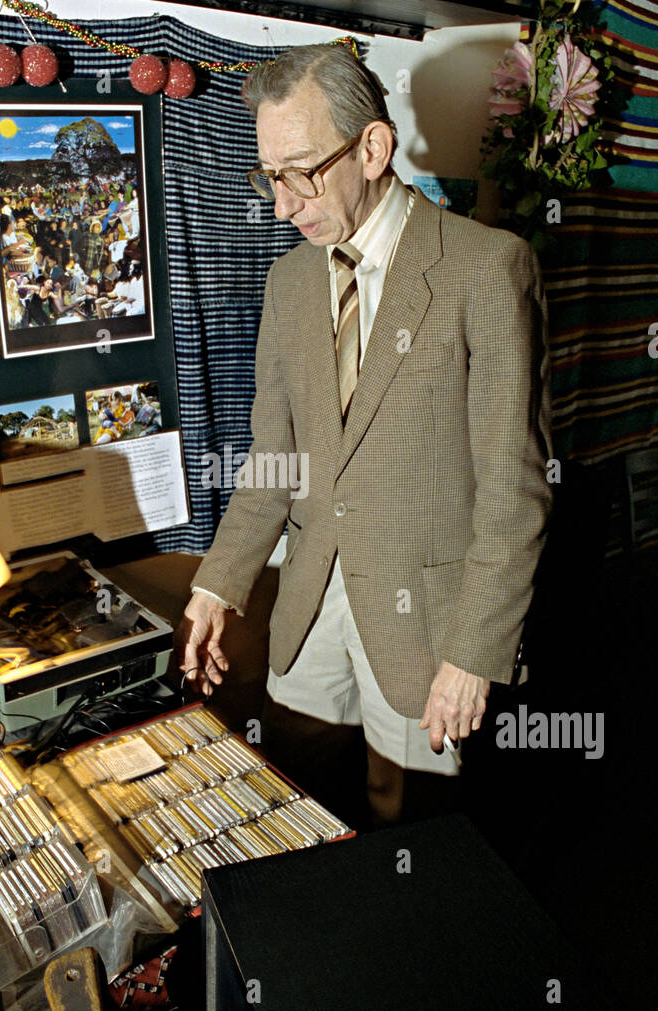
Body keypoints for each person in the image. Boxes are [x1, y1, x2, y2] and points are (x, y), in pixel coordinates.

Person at [174, 42, 553, 826]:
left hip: (429, 627)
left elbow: (515, 490)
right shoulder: (288, 281)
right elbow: (273, 459)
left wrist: (474, 654)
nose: (282, 204)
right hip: (309, 608)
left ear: (373, 148)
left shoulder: (486, 268)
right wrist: (220, 582)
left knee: (407, 831)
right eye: (269, 176)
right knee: (296, 806)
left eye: (300, 172)